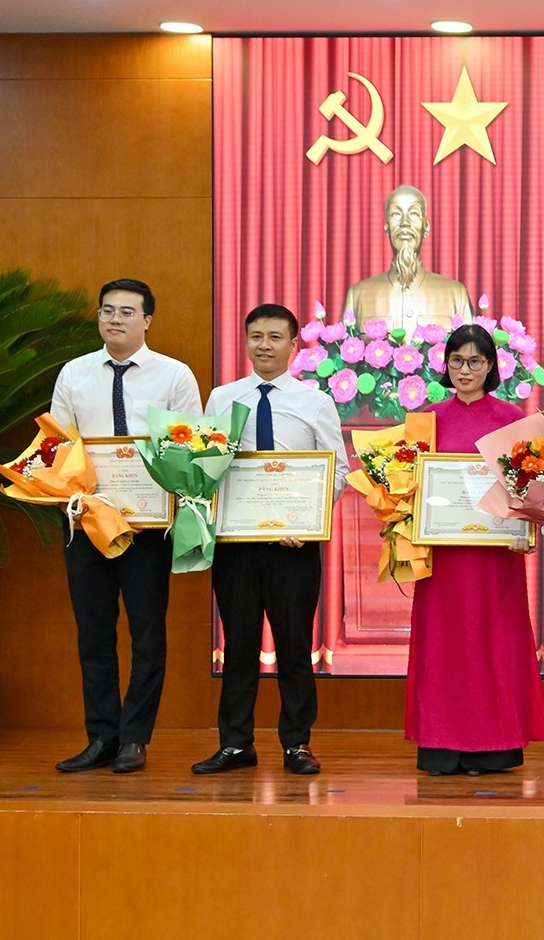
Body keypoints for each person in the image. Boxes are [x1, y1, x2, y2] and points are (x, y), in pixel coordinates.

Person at [46, 279, 202, 774]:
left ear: (147, 320)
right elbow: (57, 446)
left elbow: (193, 449)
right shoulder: (74, 373)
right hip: (86, 523)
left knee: (147, 635)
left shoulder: (175, 377)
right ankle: (101, 737)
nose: (115, 319)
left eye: (127, 312)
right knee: (93, 634)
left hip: (149, 529)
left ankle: (135, 738)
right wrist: (73, 496)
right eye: (107, 311)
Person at [193, 304, 349, 776]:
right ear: (246, 342)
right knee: (237, 645)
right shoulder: (222, 398)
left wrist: (309, 522)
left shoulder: (316, 401)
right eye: (256, 336)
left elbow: (337, 469)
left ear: (294, 345)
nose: (264, 345)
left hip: (293, 547)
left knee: (294, 647)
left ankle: (297, 743)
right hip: (235, 544)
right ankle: (236, 743)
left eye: (275, 337)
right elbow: (203, 464)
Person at [406, 324, 544, 775]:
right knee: (444, 643)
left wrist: (530, 520)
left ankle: (497, 745)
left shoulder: (513, 418)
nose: (465, 369)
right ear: (445, 365)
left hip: (494, 557)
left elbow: (537, 489)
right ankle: (441, 744)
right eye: (456, 360)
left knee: (494, 641)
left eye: (475, 361)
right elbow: (406, 486)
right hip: (443, 557)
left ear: (492, 366)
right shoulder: (425, 418)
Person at [342, 185, 475, 331]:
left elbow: (470, 349)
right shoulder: (359, 294)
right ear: (386, 226)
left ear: (426, 226)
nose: (405, 222)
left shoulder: (455, 293)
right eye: (396, 214)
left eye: (414, 214)